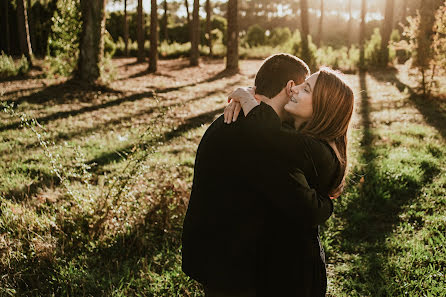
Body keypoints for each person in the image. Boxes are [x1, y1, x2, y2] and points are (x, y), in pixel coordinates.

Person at [181, 54, 333, 297]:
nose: (300, 95)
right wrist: (327, 202)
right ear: (290, 87)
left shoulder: (224, 122)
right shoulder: (263, 139)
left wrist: (245, 96)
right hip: (239, 272)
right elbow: (305, 208)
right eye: (303, 88)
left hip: (212, 259)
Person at [225, 67, 355, 296]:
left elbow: (266, 131)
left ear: (323, 107)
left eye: (306, 89)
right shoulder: (312, 142)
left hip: (295, 274)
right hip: (286, 263)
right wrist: (247, 96)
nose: (293, 89)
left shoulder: (314, 150)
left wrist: (245, 97)